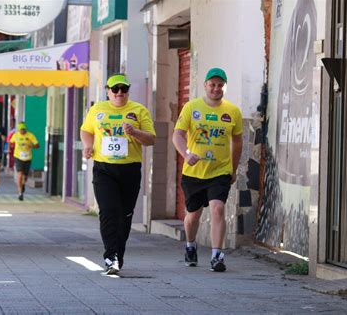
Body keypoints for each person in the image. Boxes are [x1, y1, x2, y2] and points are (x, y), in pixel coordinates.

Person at [80, 73, 156, 275]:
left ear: (128, 91)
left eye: (123, 89)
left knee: (124, 215)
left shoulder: (139, 111)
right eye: (115, 89)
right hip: (104, 168)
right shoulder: (98, 110)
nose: (119, 93)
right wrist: (88, 146)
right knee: (109, 211)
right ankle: (110, 256)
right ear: (108, 91)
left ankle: (117, 256)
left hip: (129, 169)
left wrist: (135, 133)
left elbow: (151, 139)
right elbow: (86, 131)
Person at [172, 68, 243, 272]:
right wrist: (186, 154)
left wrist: (233, 168)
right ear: (205, 85)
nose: (216, 88)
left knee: (218, 208)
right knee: (193, 215)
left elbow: (237, 143)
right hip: (194, 172)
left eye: (220, 85)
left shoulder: (233, 112)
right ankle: (190, 245)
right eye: (212, 84)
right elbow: (177, 135)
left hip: (219, 170)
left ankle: (216, 255)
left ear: (225, 87)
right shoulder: (191, 107)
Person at [8, 122, 39, 201]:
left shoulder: (30, 135)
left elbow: (37, 145)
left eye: (23, 130)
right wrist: (9, 149)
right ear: (19, 129)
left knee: (25, 177)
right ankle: (20, 192)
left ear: (25, 129)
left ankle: (23, 184)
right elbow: (10, 142)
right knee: (20, 174)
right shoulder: (16, 135)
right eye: (21, 130)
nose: (22, 131)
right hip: (18, 157)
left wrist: (31, 146)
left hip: (27, 158)